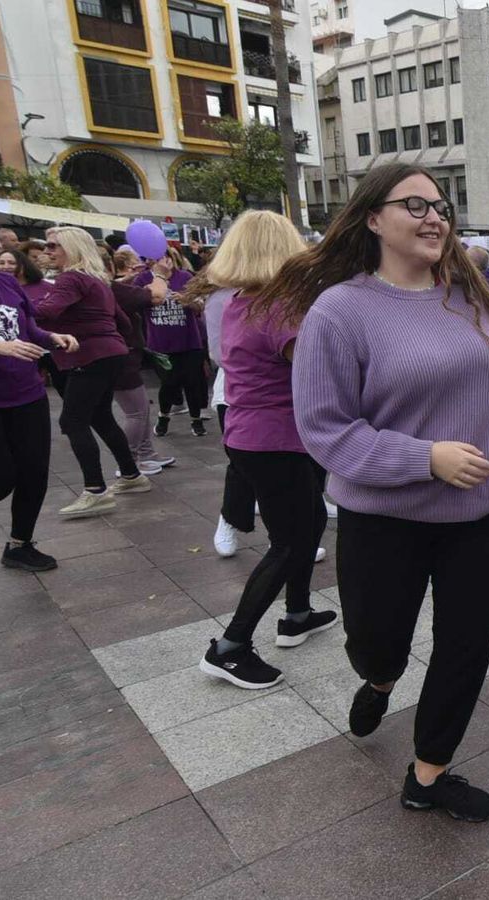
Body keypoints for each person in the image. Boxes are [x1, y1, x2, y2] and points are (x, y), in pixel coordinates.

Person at [286, 163, 489, 822]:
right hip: (385, 518)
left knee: (466, 645)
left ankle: (429, 773)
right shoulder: (340, 311)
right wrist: (425, 458)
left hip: (483, 512)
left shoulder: (468, 295)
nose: (434, 218)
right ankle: (379, 679)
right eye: (415, 205)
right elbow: (326, 430)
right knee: (378, 641)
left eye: (441, 207)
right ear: (373, 218)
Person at [197, 211, 338, 690]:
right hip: (275, 440)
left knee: (310, 523)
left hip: (258, 436)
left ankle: (297, 614)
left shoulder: (240, 300)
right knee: (289, 544)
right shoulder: (279, 309)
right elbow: (323, 370)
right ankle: (230, 647)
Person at [0, 211, 76, 572]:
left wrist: (51, 337)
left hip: (26, 393)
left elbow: (26, 328)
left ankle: (19, 545)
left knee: (34, 473)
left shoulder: (4, 282)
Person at [34, 227, 151, 516]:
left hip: (90, 357)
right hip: (111, 354)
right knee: (100, 417)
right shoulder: (97, 280)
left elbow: (45, 312)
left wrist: (19, 307)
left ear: (71, 248)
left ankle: (96, 490)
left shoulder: (71, 278)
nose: (47, 251)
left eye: (53, 246)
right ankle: (131, 475)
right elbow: (124, 323)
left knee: (73, 421)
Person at [107, 250, 170, 477]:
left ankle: (146, 454)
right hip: (120, 358)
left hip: (126, 355)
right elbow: (156, 296)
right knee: (136, 413)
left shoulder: (104, 287)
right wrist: (160, 274)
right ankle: (129, 463)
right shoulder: (108, 288)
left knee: (141, 410)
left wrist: (131, 277)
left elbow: (124, 289)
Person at [136, 247, 209, 437]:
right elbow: (136, 302)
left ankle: (196, 419)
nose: (159, 261)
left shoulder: (185, 277)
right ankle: (163, 417)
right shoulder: (143, 279)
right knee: (169, 383)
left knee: (192, 382)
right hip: (160, 342)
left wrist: (187, 300)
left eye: (163, 257)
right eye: (154, 258)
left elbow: (200, 305)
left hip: (189, 340)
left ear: (171, 258)